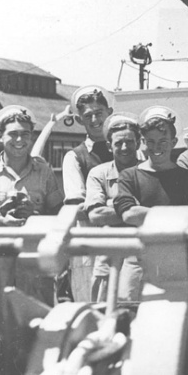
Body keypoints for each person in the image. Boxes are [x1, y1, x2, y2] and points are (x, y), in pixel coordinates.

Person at [0, 105, 64, 303]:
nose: (20, 140)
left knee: (38, 319)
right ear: (0, 136)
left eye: (25, 134)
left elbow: (60, 217)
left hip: (34, 263)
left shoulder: (44, 172)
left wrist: (34, 215)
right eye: (13, 134)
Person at [84, 113, 143, 301]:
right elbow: (95, 215)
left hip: (140, 253)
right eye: (118, 143)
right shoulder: (98, 174)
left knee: (134, 309)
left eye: (129, 142)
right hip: (107, 256)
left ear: (138, 143)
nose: (124, 148)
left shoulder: (149, 171)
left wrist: (112, 206)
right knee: (101, 310)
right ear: (109, 146)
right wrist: (134, 209)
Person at [113, 106, 188, 226]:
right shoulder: (129, 176)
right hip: (142, 243)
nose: (157, 147)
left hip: (177, 243)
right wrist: (177, 215)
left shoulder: (187, 178)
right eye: (151, 142)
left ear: (174, 142)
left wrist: (143, 212)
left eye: (163, 141)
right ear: (144, 142)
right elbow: (129, 215)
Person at [62, 85, 114, 206]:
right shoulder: (74, 157)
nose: (94, 119)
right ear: (79, 120)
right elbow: (76, 202)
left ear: (109, 112)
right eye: (88, 116)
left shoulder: (126, 149)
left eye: (99, 113)